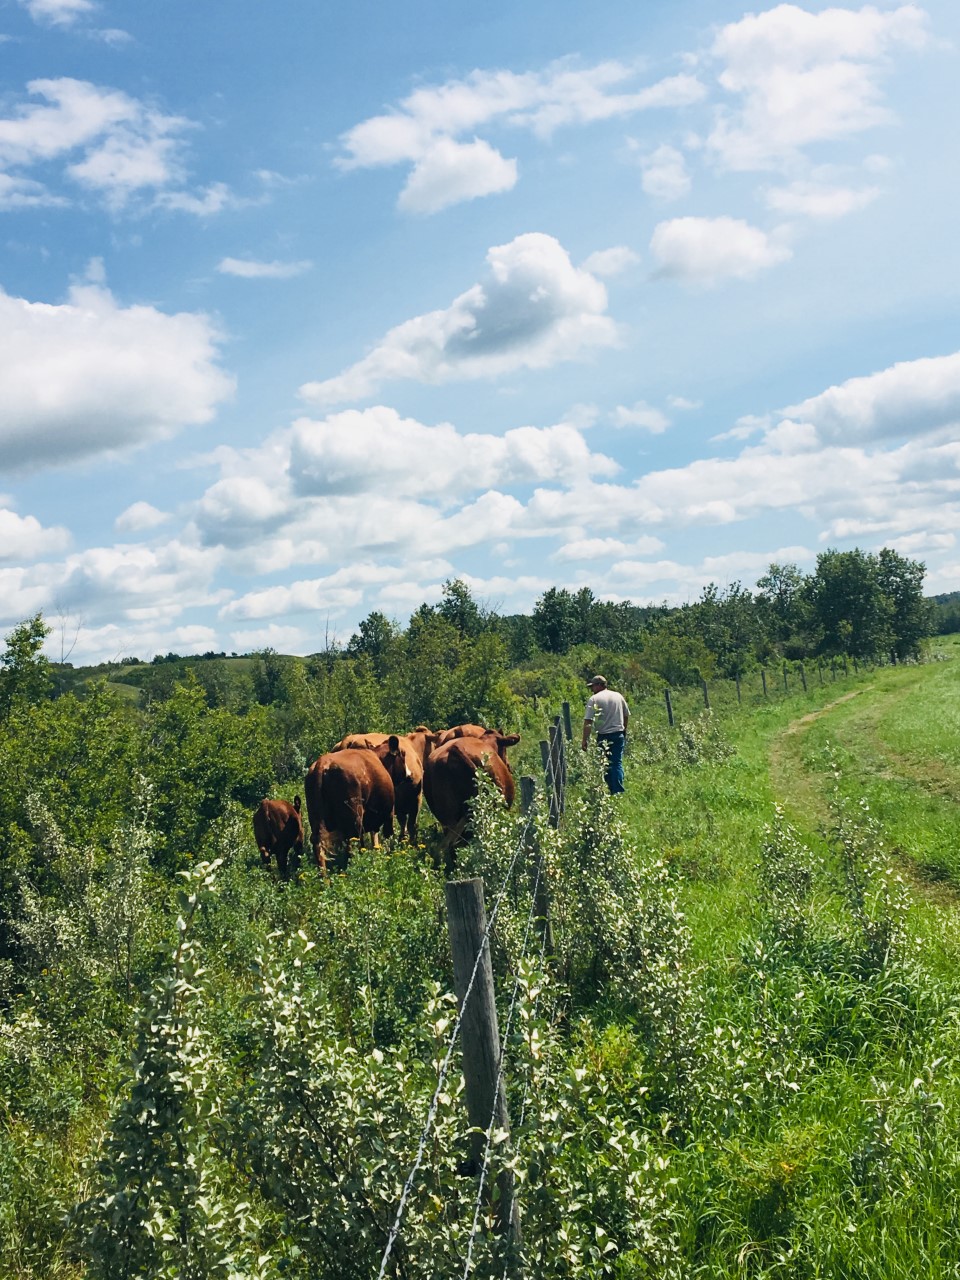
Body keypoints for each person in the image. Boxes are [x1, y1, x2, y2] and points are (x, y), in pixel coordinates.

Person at [581, 675, 629, 794]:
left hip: (604, 735)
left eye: (592, 686)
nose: (592, 689)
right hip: (618, 734)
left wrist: (585, 740)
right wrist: (624, 730)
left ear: (598, 685)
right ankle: (617, 789)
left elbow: (588, 721)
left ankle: (612, 789)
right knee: (617, 762)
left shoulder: (594, 699)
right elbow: (626, 715)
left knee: (605, 763)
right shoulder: (618, 696)